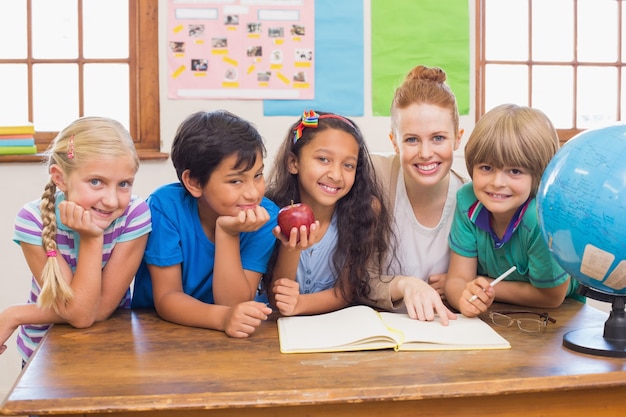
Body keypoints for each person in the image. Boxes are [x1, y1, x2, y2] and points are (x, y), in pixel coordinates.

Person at [0, 116, 151, 362]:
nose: (112, 200)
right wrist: (92, 238)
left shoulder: (135, 214)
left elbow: (94, 311)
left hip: (109, 348)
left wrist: (15, 314)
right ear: (60, 178)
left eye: (124, 184)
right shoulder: (33, 220)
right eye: (96, 182)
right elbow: (80, 312)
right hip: (44, 357)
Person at [131, 110, 278, 338]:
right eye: (236, 180)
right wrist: (223, 318)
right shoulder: (165, 208)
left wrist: (227, 233)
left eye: (258, 175)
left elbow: (235, 303)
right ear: (194, 182)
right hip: (160, 331)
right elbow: (167, 298)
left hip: (225, 337)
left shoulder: (265, 216)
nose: (252, 193)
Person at [444, 103, 582, 318]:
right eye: (486, 168)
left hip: (558, 319)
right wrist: (464, 298)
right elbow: (456, 281)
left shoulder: (541, 218)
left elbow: (552, 297)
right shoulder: (466, 200)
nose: (497, 182)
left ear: (538, 175)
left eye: (515, 171)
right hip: (500, 315)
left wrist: (486, 287)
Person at [262, 110, 393, 316]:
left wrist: (300, 304)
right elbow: (277, 296)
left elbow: (346, 291)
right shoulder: (271, 212)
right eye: (323, 159)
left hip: (331, 329)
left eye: (348, 165)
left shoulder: (363, 211)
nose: (336, 175)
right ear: (293, 163)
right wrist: (292, 248)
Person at [366, 64, 465, 324]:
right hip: (383, 332)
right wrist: (403, 285)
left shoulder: (470, 200)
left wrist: (458, 284)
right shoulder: (375, 178)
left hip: (444, 333)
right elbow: (359, 280)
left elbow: (481, 277)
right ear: (394, 142)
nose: (425, 152)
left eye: (438, 138)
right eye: (411, 140)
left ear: (458, 139)